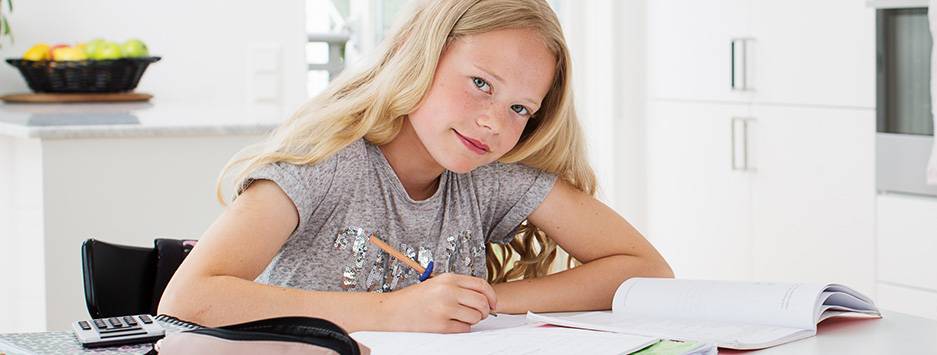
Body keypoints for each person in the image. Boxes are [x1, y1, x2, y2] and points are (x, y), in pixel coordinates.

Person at [159, 0, 673, 333]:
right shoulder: (325, 164)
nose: (494, 122)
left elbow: (645, 270)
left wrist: (487, 300)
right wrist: (392, 313)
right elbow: (188, 298)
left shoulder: (483, 173)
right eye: (481, 84)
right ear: (418, 55)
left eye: (520, 108)